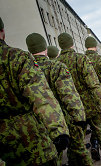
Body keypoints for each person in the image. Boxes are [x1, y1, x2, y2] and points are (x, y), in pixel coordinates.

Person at [0, 17, 69, 165]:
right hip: (29, 138)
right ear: (3, 32)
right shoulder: (16, 57)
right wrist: (58, 131)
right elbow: (41, 97)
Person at [26, 33, 91, 166]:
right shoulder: (56, 66)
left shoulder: (27, 70)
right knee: (79, 151)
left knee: (54, 158)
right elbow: (69, 95)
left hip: (40, 123)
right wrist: (80, 118)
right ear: (45, 48)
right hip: (64, 119)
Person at [57, 33, 101, 164]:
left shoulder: (56, 64)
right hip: (89, 101)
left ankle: (77, 160)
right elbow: (93, 83)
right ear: (72, 43)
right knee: (100, 127)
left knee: (77, 135)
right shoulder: (81, 59)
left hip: (71, 106)